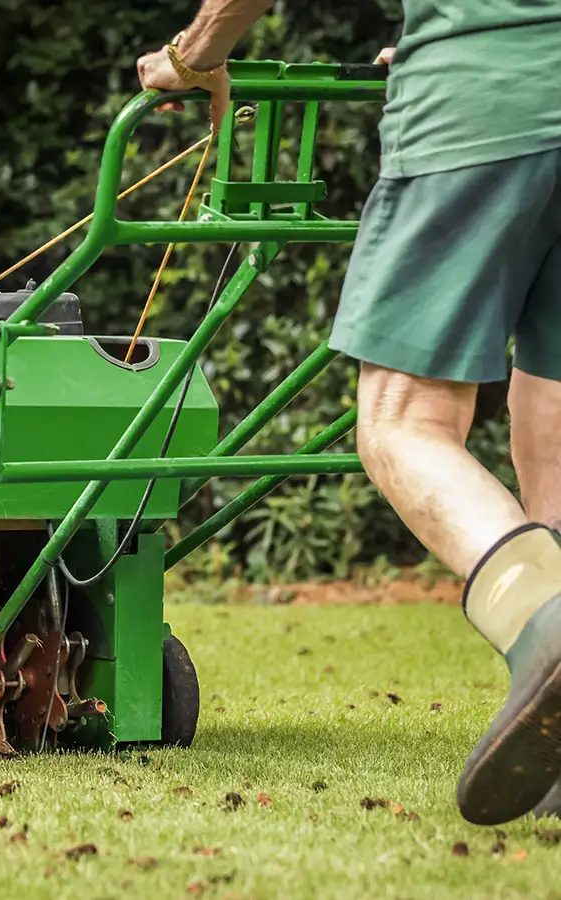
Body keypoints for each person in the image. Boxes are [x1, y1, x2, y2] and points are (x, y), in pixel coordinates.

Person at [136, 0, 561, 826]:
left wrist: (191, 56)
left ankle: (545, 621)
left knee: (404, 422)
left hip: (481, 107)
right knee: (552, 405)